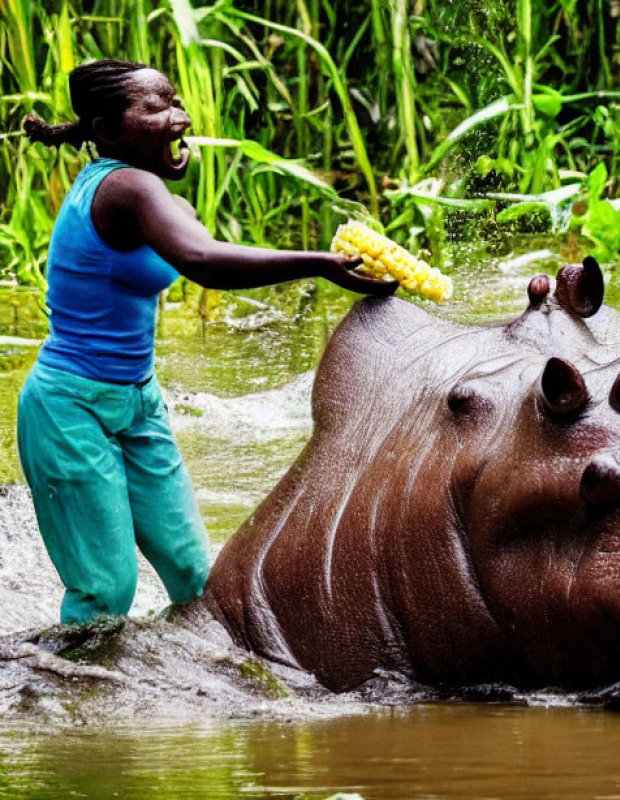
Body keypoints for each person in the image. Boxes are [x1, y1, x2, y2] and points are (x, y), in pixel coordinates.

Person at [17, 59, 395, 625]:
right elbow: (204, 262)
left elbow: (197, 241)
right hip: (69, 408)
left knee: (197, 578)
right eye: (158, 107)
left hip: (138, 403)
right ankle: (73, 696)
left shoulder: (152, 197)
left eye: (177, 102)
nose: (181, 117)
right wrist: (320, 263)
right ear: (106, 130)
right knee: (105, 595)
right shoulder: (125, 188)